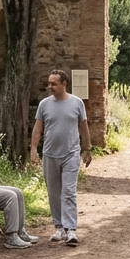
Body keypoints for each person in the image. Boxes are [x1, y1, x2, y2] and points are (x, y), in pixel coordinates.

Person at [29, 69, 92, 247]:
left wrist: (87, 149)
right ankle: (59, 227)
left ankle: (71, 229)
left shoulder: (77, 103)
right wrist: (33, 150)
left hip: (71, 153)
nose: (50, 87)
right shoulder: (44, 105)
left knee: (69, 192)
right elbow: (38, 129)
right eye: (49, 83)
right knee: (54, 193)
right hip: (50, 154)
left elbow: (84, 127)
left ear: (64, 84)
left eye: (53, 84)